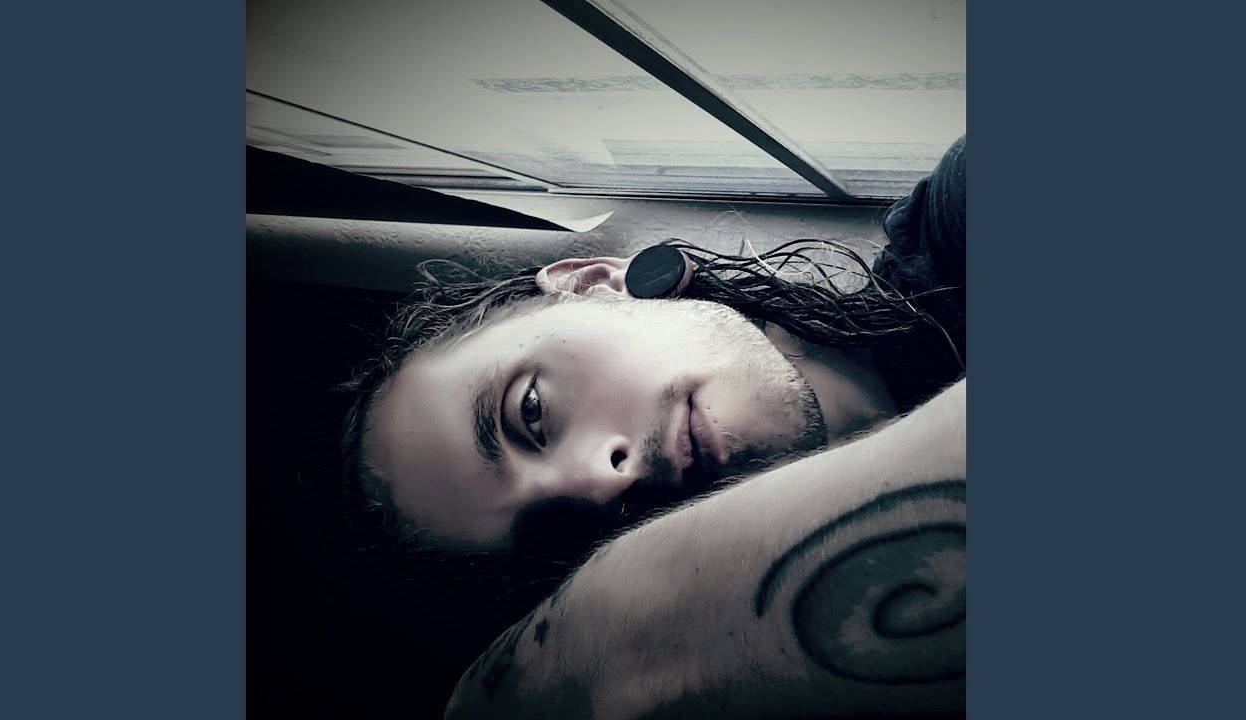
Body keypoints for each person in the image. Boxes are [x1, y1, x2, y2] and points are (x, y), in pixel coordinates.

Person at [341, 137, 968, 717]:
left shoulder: (957, 228)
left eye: (530, 411)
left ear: (594, 284)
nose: (597, 484)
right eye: (557, 529)